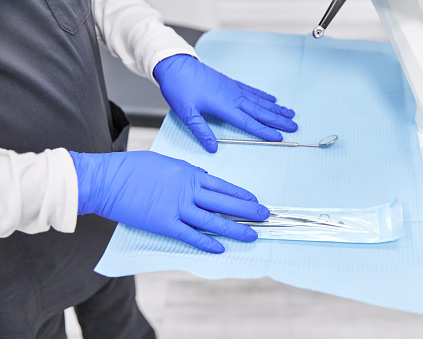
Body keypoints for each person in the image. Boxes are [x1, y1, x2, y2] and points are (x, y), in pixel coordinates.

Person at [0, 0, 298, 337]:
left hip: (106, 210)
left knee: (122, 321)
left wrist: (161, 50)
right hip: (14, 260)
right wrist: (89, 183)